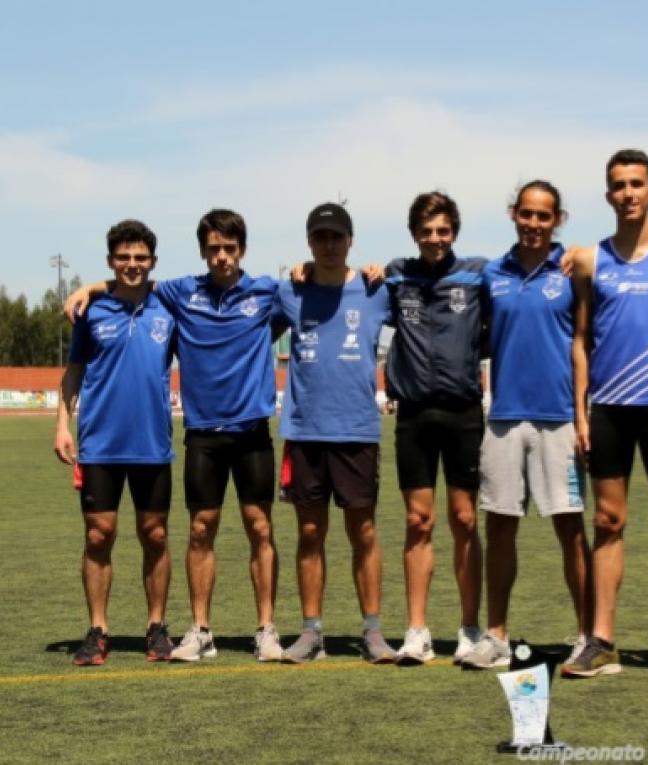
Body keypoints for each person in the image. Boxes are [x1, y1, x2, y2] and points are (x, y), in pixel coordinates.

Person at [66, 209, 285, 662]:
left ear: (241, 249)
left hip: (251, 433)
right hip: (200, 433)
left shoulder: (267, 291)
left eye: (229, 248)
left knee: (258, 528)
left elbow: (304, 299)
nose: (221, 256)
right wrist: (90, 287)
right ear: (202, 252)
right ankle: (200, 630)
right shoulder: (179, 293)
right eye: (213, 249)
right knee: (198, 530)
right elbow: (130, 284)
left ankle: (266, 628)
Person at [563, 150, 648, 680]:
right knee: (606, 521)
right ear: (608, 196)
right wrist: (580, 412)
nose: (628, 193)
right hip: (609, 409)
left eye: (637, 183)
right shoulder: (590, 261)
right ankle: (602, 641)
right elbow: (580, 340)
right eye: (618, 185)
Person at [459, 180, 592, 669]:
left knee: (570, 529)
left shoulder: (575, 270)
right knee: (500, 528)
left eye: (545, 216)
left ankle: (586, 636)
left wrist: (582, 413)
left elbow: (583, 343)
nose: (534, 224)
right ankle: (495, 635)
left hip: (559, 420)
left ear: (558, 219)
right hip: (504, 419)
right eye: (527, 214)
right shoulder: (493, 273)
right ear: (513, 214)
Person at [272, 203, 397, 664]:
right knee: (309, 531)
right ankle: (311, 633)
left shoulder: (375, 289)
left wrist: (387, 269)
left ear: (350, 241)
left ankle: (373, 631)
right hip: (305, 432)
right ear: (309, 242)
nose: (328, 245)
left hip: (357, 430)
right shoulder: (289, 292)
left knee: (363, 532)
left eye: (336, 237)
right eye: (319, 237)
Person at [55, 219, 177, 665]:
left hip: (152, 444)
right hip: (100, 445)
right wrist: (62, 425)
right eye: (123, 258)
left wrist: (95, 283)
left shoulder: (169, 307)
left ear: (152, 262)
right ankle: (98, 630)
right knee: (98, 534)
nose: (132, 265)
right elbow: (73, 373)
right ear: (112, 261)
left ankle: (157, 627)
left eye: (140, 258)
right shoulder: (91, 312)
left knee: (156, 535)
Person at [384, 191, 485, 664]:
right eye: (426, 231)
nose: (435, 239)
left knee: (465, 520)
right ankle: (417, 631)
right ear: (414, 233)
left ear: (454, 232)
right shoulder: (394, 275)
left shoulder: (477, 273)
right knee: (417, 521)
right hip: (415, 416)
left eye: (443, 230)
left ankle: (469, 628)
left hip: (464, 413)